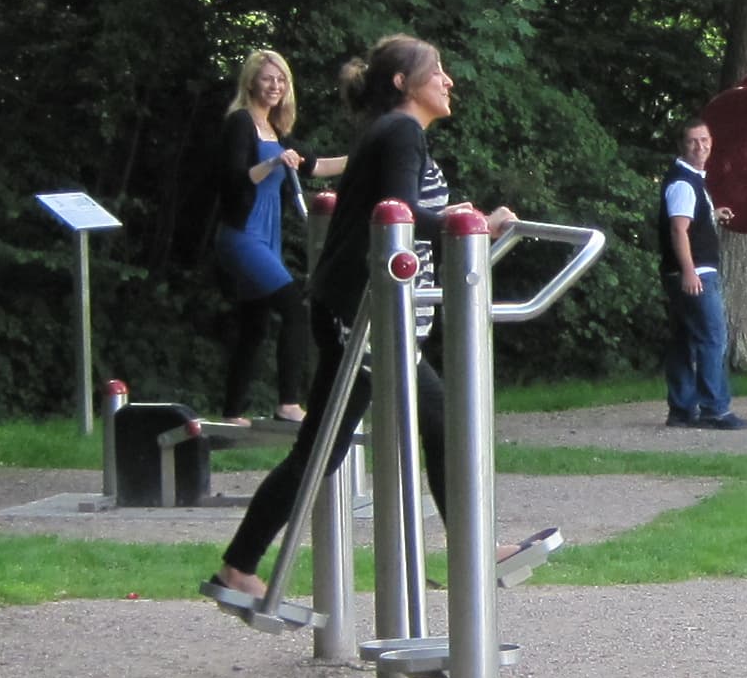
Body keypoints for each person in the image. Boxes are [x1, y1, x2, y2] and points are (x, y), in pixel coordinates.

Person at [201, 37, 513, 618]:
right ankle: (476, 550)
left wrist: (449, 215)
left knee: (353, 440)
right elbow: (396, 215)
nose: (448, 80)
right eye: (436, 72)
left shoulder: (392, 132)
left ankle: (239, 566)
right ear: (402, 83)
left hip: (367, 312)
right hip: (367, 316)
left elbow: (394, 207)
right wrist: (472, 223)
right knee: (385, 433)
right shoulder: (401, 132)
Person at [207, 50, 315, 424]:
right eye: (268, 78)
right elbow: (233, 178)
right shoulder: (240, 122)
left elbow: (315, 165)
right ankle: (288, 404)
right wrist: (272, 162)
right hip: (242, 235)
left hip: (268, 236)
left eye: (281, 79)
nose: (275, 85)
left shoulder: (277, 130)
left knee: (254, 324)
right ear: (251, 81)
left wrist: (365, 157)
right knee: (294, 308)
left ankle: (232, 411)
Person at [661, 119, 741, 430]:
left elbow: (688, 222)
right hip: (697, 274)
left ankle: (681, 410)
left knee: (684, 340)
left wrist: (711, 215)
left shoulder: (690, 180)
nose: (700, 147)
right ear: (682, 145)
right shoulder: (683, 183)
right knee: (712, 338)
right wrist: (689, 271)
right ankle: (714, 409)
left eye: (705, 140)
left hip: (686, 272)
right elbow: (678, 229)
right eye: (693, 141)